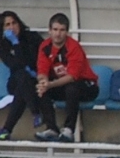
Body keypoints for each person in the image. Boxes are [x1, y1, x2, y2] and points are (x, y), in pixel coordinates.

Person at [35, 13, 100, 143]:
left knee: (72, 88)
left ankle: (69, 129)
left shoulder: (73, 47)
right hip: (62, 86)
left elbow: (72, 77)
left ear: (67, 32)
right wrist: (43, 82)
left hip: (87, 86)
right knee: (38, 88)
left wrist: (50, 84)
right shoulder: (45, 46)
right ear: (49, 30)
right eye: (55, 29)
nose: (58, 34)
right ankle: (51, 128)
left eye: (62, 30)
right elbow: (42, 70)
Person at [0, 10, 43, 140]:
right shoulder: (3, 48)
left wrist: (19, 46)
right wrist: (15, 43)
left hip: (37, 78)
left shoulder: (33, 38)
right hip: (18, 79)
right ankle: (35, 112)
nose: (12, 27)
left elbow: (36, 60)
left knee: (22, 86)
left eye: (14, 23)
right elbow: (16, 64)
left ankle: (7, 129)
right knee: (21, 76)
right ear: (2, 29)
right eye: (7, 25)